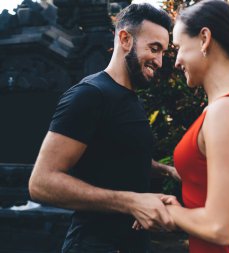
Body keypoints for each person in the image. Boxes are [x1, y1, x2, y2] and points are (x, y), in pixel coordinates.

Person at [28, 3, 179, 253]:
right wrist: (131, 202)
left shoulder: (129, 97)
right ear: (125, 39)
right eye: (154, 49)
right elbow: (41, 183)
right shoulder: (90, 94)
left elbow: (116, 158)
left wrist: (167, 171)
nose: (160, 61)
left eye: (163, 51)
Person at [134, 1, 229, 252]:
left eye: (179, 47)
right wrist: (210, 205)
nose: (177, 61)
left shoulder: (226, 111)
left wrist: (163, 211)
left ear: (204, 39)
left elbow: (220, 229)